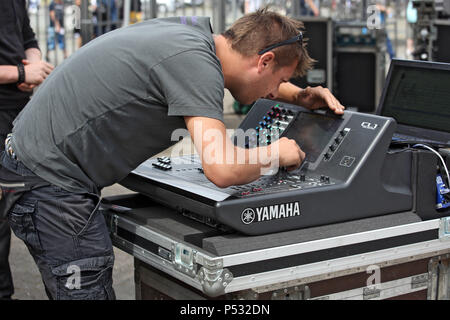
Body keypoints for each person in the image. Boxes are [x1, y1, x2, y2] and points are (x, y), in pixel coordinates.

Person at [3, 8, 344, 300]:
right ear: (264, 60)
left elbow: (246, 74)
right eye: (279, 80)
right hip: (51, 187)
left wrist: (297, 97)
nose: (273, 93)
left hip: (31, 161)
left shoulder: (190, 32)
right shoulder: (196, 66)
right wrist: (277, 153)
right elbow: (222, 170)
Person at [0, 0, 54, 300]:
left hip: (18, 113)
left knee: (35, 201)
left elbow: (28, 38)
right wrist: (20, 73)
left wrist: (34, 64)